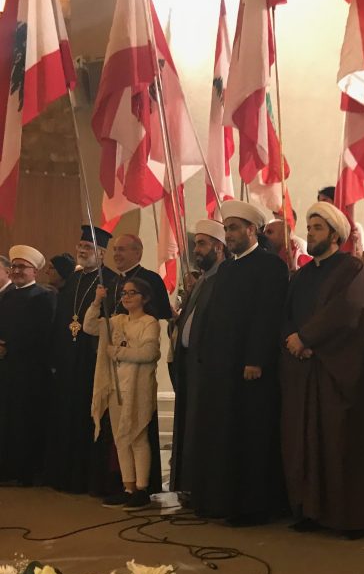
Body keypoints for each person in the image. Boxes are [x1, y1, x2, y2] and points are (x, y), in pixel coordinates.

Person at [280, 202, 364, 534]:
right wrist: (292, 339)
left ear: (335, 235)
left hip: (336, 372)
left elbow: (347, 311)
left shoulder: (352, 269)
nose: (310, 234)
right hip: (304, 372)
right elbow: (286, 313)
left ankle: (345, 517)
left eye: (317, 228)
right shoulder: (300, 276)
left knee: (338, 443)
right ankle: (310, 511)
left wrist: (308, 338)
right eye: (310, 228)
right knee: (305, 442)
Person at [188, 200, 289, 525]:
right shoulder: (228, 268)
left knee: (249, 436)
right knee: (221, 434)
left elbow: (267, 317)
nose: (228, 234)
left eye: (233, 228)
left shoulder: (270, 266)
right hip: (220, 367)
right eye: (227, 228)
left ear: (251, 230)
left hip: (250, 369)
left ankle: (251, 507)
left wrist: (255, 359)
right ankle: (218, 500)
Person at [45, 226, 118, 494]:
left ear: (100, 254)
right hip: (66, 361)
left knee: (88, 417)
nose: (81, 251)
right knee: (66, 415)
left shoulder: (108, 280)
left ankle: (86, 479)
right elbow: (61, 320)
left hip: (90, 361)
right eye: (80, 247)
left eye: (87, 248)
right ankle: (64, 475)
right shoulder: (73, 281)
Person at [84, 278, 161, 510]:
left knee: (137, 436)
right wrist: (97, 301)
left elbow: (149, 353)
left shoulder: (149, 322)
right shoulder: (116, 320)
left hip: (137, 387)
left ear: (144, 298)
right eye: (124, 293)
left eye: (132, 293)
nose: (126, 297)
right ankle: (128, 487)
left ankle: (142, 487)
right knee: (120, 438)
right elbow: (89, 326)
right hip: (116, 386)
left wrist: (116, 351)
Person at [170, 219, 227, 497]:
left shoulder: (224, 279)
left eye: (202, 244)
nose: (197, 250)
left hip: (209, 369)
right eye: (196, 245)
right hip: (189, 365)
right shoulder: (203, 279)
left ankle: (203, 490)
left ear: (219, 246)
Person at [0, 246, 56, 485]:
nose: (17, 271)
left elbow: (42, 333)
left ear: (35, 271)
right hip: (7, 368)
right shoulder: (8, 295)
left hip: (30, 369)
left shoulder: (44, 296)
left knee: (25, 420)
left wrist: (9, 346)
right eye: (14, 266)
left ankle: (26, 472)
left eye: (22, 267)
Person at [106, 234, 173, 319]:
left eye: (121, 249)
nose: (116, 254)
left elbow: (162, 314)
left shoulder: (152, 279)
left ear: (137, 253)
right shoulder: (113, 281)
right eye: (114, 249)